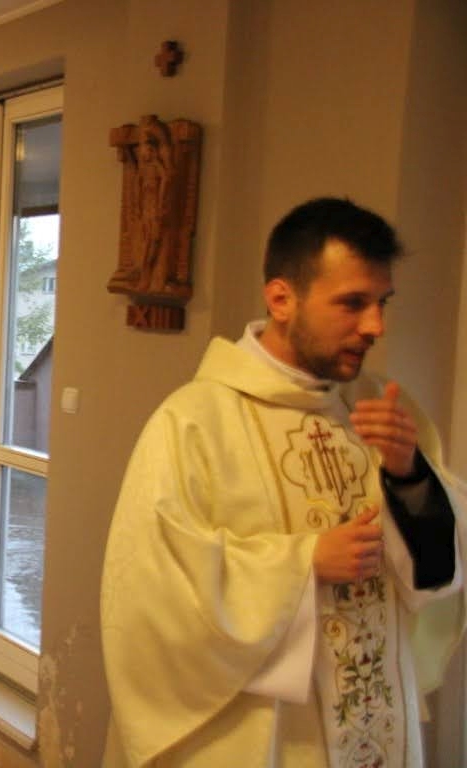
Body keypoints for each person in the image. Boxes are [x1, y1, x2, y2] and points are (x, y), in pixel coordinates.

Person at [101, 196, 466, 767]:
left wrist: (409, 476)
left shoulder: (382, 406)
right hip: (263, 734)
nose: (375, 326)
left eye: (382, 303)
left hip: (376, 720)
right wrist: (304, 563)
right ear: (280, 299)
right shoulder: (193, 421)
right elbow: (151, 587)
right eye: (353, 303)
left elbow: (443, 562)